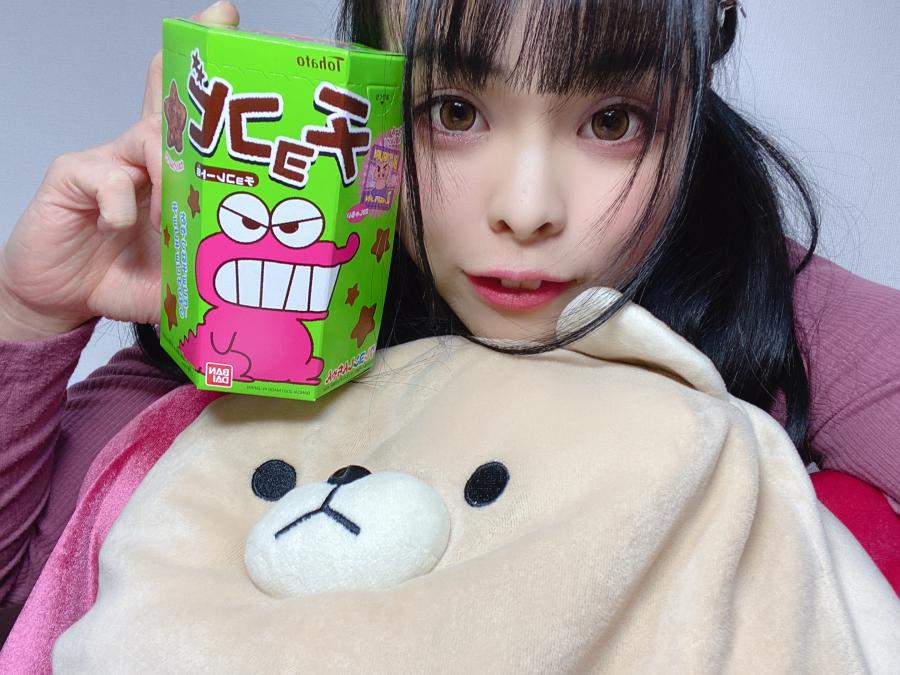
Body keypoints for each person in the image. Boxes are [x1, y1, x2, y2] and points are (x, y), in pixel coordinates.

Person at [1, 0, 898, 653]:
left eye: (612, 121)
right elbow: (35, 603)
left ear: (691, 109)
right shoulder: (276, 300)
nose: (527, 209)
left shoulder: (771, 299)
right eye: (455, 112)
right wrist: (31, 316)